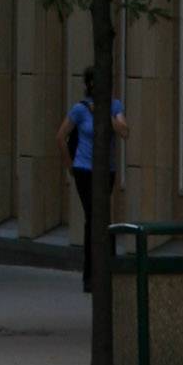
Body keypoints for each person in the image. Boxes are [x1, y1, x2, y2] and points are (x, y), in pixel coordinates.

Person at [59, 69, 127, 290]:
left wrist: (103, 114)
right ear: (87, 86)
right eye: (92, 84)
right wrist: (71, 166)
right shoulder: (79, 109)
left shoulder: (114, 106)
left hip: (106, 170)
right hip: (84, 169)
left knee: (103, 217)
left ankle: (106, 271)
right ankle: (90, 275)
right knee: (93, 217)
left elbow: (124, 131)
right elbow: (60, 137)